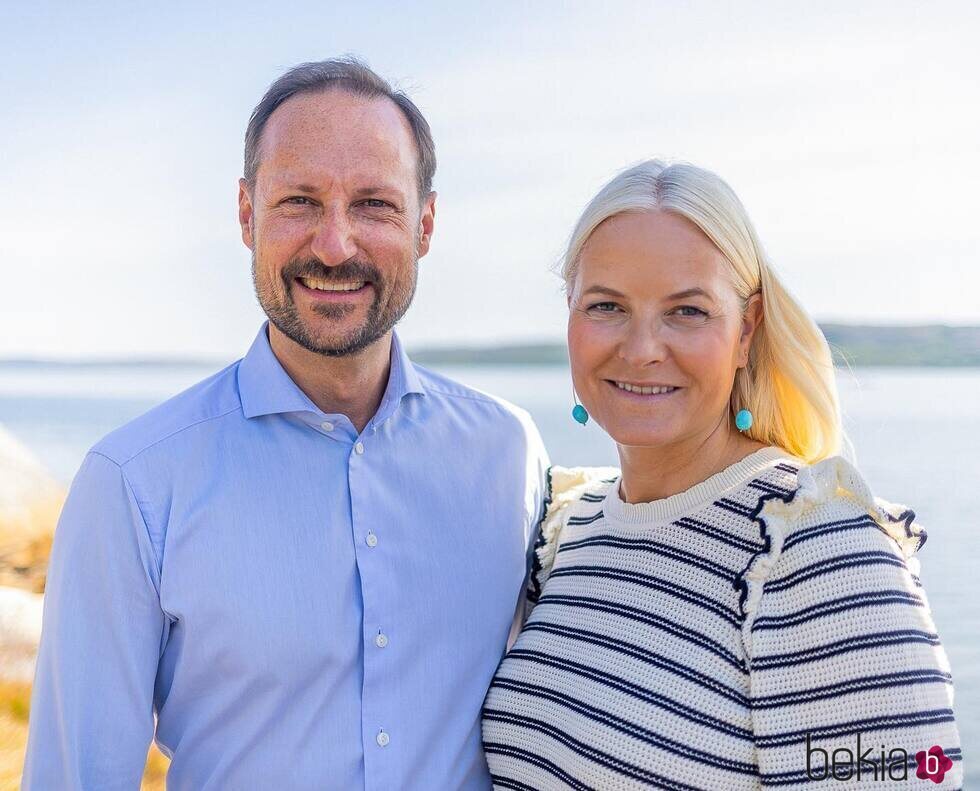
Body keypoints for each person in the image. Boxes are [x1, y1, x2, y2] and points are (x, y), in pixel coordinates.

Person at [24, 58, 549, 790]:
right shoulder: (134, 485)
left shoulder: (509, 455)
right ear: (247, 215)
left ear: (426, 224)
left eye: (374, 205)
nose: (335, 246)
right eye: (300, 201)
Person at [483, 160, 961, 789]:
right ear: (569, 314)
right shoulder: (567, 530)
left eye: (687, 312)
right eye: (606, 306)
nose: (643, 347)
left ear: (747, 331)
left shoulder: (816, 551)